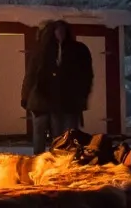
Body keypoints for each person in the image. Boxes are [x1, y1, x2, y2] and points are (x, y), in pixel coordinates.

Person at [22, 19, 94, 154]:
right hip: (48, 101)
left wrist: (81, 96)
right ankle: (50, 160)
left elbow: (86, 76)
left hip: (60, 101)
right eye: (57, 31)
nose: (60, 34)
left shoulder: (72, 51)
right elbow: (31, 76)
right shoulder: (44, 53)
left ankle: (57, 159)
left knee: (60, 135)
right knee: (53, 135)